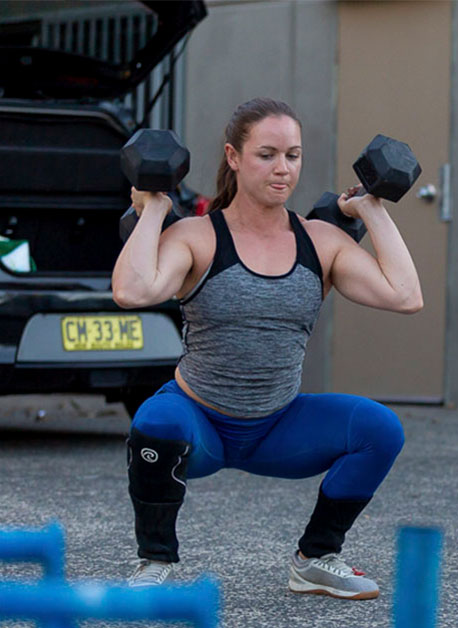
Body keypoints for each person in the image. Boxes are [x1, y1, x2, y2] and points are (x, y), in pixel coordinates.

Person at [111, 98, 423, 600]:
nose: (283, 169)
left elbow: (406, 296)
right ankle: (155, 563)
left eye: (293, 156)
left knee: (379, 429)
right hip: (201, 422)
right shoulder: (197, 236)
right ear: (233, 157)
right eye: (267, 154)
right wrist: (156, 208)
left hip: (278, 424)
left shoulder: (320, 241)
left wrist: (371, 208)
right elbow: (132, 290)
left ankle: (316, 558)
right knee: (157, 421)